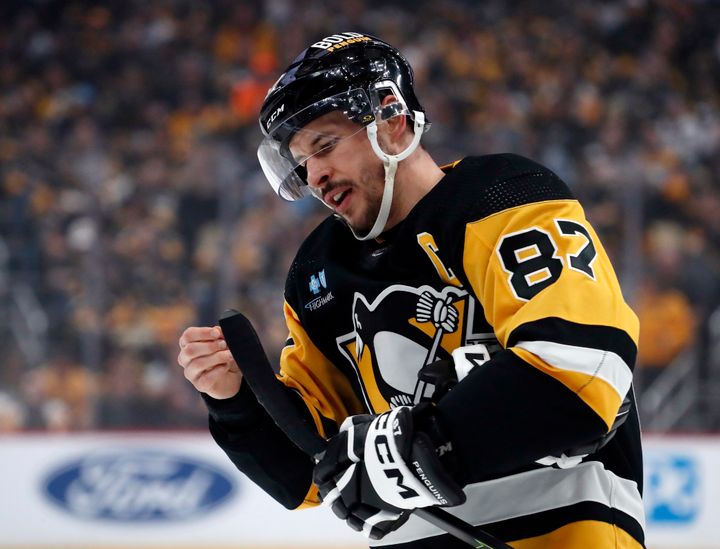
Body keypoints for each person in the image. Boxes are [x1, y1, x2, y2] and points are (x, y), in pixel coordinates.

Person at [179, 32, 645, 548]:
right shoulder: (318, 273)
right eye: (302, 161)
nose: (315, 175)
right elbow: (314, 473)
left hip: (560, 523)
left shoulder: (501, 196)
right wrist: (234, 403)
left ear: (393, 119)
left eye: (325, 145)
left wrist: (420, 446)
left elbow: (580, 366)